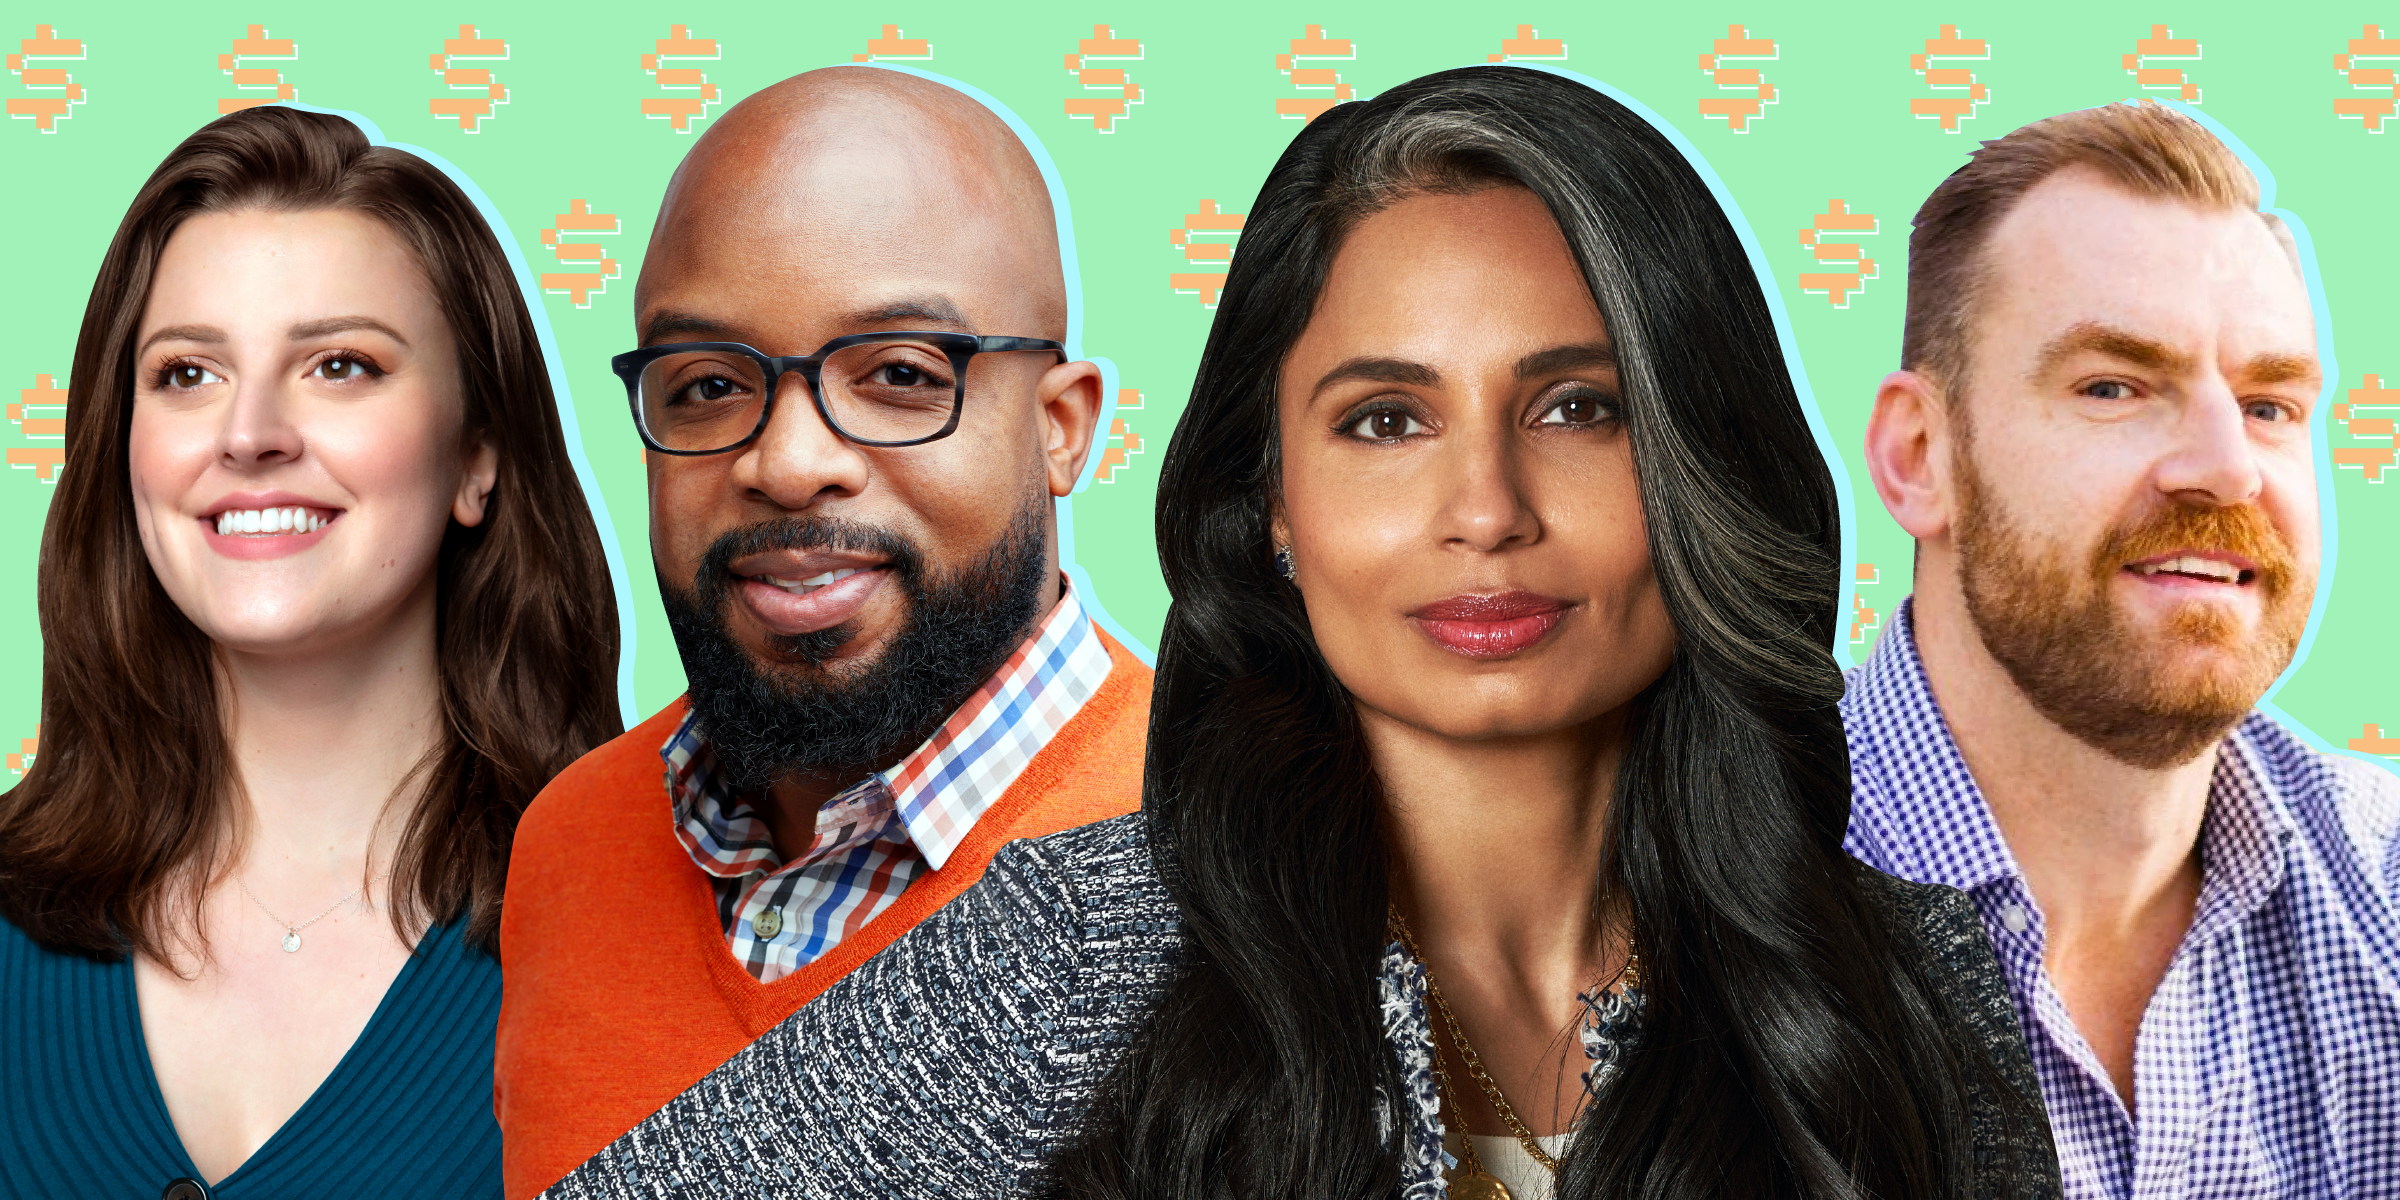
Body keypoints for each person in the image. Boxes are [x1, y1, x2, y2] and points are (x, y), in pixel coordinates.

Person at [544, 66, 2061, 1200]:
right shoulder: (1089, 948)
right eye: (1386, 419)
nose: (1486, 506)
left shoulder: (1916, 990)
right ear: (1272, 500)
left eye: (1578, 408)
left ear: (1699, 466)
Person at [493, 66, 1152, 1199]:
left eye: (900, 373)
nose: (788, 463)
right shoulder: (569, 848)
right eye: (705, 385)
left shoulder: (1254, 862)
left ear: (1061, 428)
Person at [0, 105, 620, 1199]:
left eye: (340, 365)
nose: (250, 434)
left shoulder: (635, 933)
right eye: (187, 374)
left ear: (478, 455)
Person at [1844, 101, 2400, 1199]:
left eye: (2271, 404)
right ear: (1919, 456)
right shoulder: (1649, 918)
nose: (2228, 468)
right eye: (2114, 386)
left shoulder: (2383, 889)